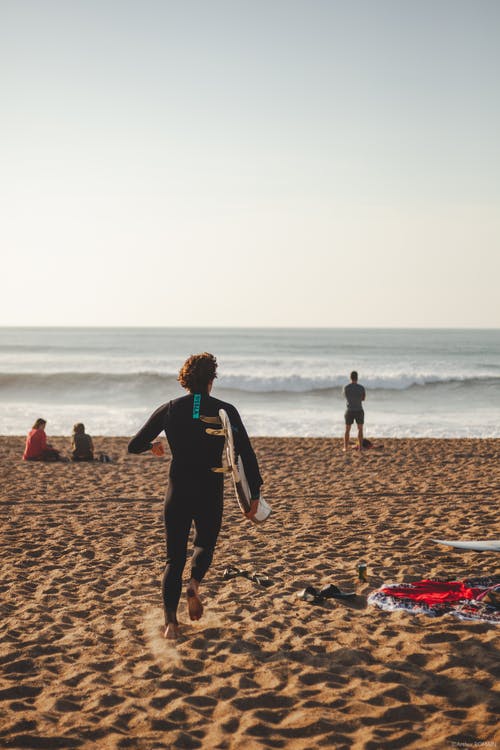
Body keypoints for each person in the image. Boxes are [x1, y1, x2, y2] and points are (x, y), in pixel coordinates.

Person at [128, 352, 263, 640]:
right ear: (212, 379)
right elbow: (246, 455)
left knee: (172, 559)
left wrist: (152, 446)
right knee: (204, 544)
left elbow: (134, 444)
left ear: (185, 380)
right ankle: (195, 584)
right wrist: (255, 494)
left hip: (177, 489)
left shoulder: (170, 409)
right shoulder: (226, 410)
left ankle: (170, 625)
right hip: (209, 487)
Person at [342, 371, 366, 451]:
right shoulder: (361, 387)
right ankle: (360, 447)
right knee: (360, 429)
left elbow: (345, 397)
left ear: (350, 377)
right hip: (359, 410)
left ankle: (345, 447)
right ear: (357, 377)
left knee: (347, 429)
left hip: (349, 410)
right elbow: (363, 399)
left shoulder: (346, 387)